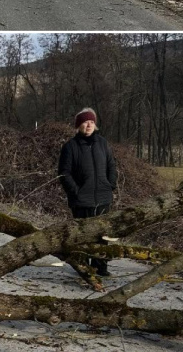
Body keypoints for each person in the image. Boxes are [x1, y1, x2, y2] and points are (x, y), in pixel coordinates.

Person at [58, 107, 118, 276]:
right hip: (81, 200)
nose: (89, 125)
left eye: (92, 122)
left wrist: (110, 184)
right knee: (83, 236)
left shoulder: (103, 143)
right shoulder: (70, 147)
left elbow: (111, 166)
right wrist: (76, 192)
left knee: (102, 236)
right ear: (79, 125)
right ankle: (84, 269)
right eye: (85, 122)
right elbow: (64, 173)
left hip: (103, 198)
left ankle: (100, 268)